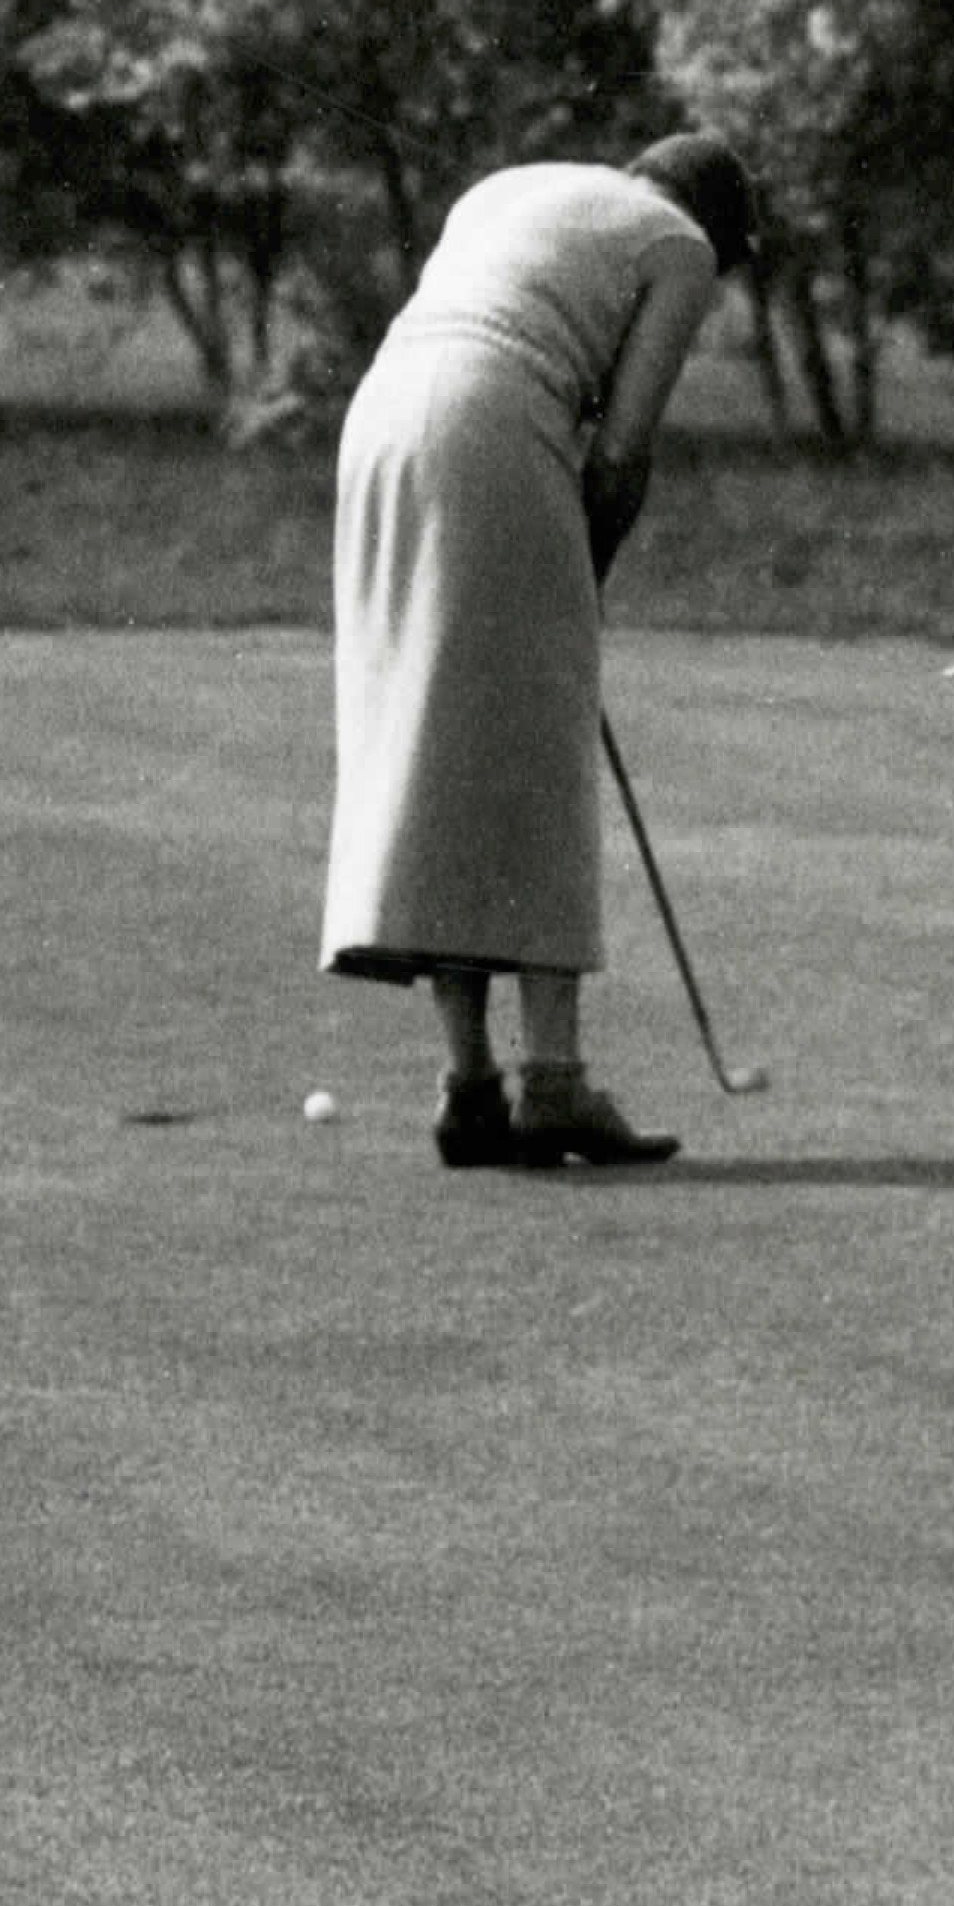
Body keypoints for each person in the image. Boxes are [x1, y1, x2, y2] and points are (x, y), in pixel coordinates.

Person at [318, 132, 760, 1169]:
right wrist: (581, 580)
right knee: (531, 754)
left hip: (380, 427)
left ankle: (470, 1084)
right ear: (718, 223)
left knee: (435, 741)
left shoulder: (506, 185)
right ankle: (552, 1085)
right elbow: (621, 451)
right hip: (489, 424)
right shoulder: (681, 246)